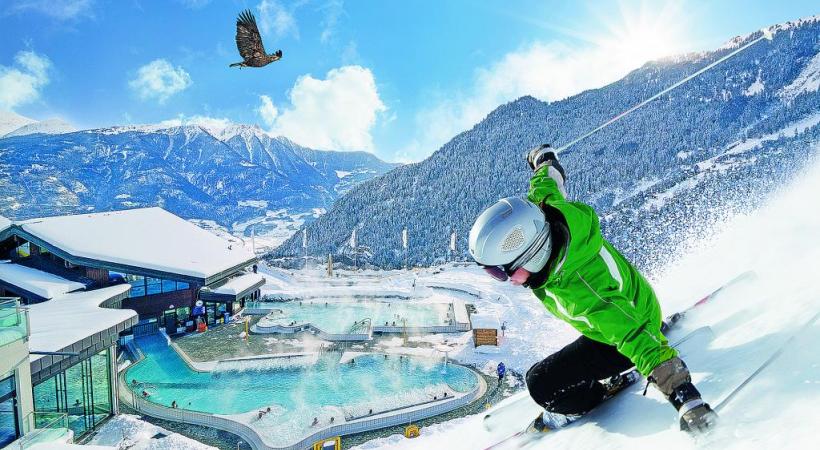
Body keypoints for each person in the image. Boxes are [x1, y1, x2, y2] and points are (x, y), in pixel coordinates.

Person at [468, 144, 717, 434]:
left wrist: (687, 402)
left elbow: (632, 334)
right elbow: (546, 180)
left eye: (501, 271)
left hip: (627, 330)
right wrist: (543, 160)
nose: (504, 278)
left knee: (540, 383)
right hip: (633, 308)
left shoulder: (584, 287)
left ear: (533, 255)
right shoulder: (546, 211)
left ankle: (596, 395)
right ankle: (651, 330)